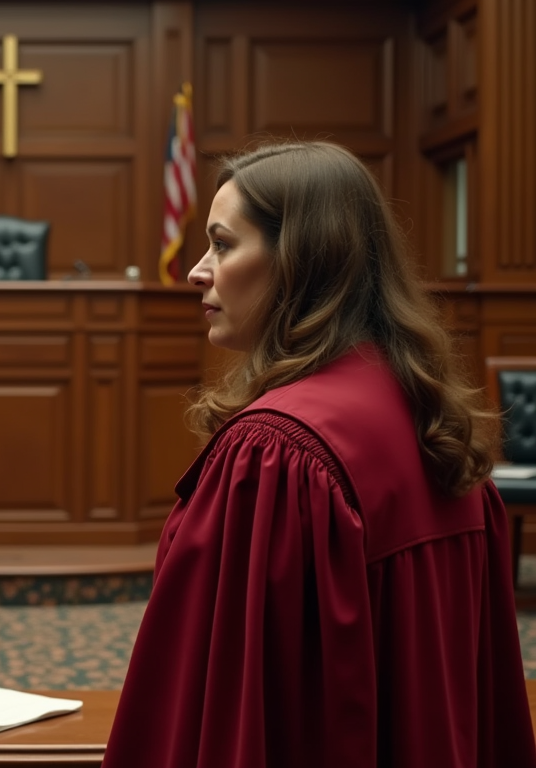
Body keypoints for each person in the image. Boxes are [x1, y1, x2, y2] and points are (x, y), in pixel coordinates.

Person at [102, 140, 536, 767]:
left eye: (223, 245)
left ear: (302, 260)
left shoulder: (277, 454)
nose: (198, 270)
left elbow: (229, 715)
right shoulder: (432, 424)